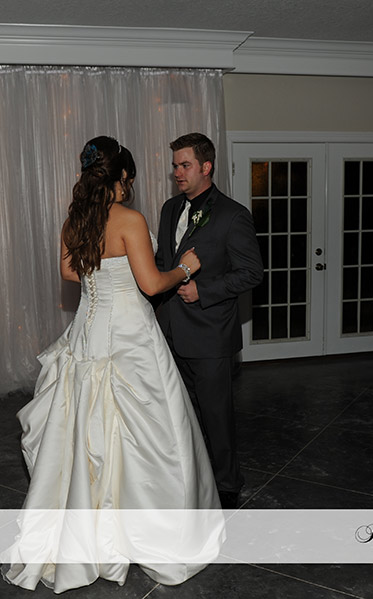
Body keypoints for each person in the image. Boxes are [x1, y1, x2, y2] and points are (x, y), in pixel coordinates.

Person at [2, 136, 224, 592]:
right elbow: (151, 284)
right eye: (130, 177)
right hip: (129, 336)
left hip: (87, 331)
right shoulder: (129, 219)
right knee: (150, 433)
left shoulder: (75, 220)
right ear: (122, 176)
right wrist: (186, 268)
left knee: (84, 429)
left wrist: (98, 269)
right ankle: (148, 531)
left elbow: (69, 272)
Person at [154, 133, 263, 509]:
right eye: (175, 166)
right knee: (180, 414)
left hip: (210, 334)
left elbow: (252, 273)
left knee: (216, 415)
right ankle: (190, 477)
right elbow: (164, 262)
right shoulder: (170, 208)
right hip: (170, 330)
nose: (177, 172)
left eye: (185, 165)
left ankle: (228, 483)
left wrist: (205, 290)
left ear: (206, 167)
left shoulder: (233, 215)